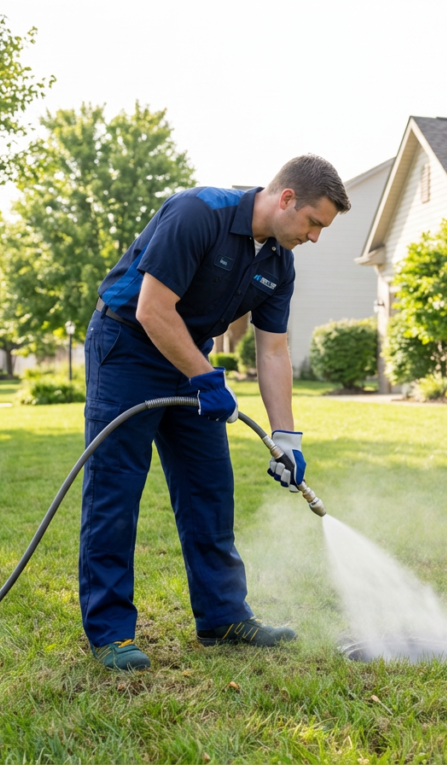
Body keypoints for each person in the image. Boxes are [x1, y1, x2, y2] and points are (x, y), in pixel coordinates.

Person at [80, 155, 351, 671]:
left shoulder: (278, 263)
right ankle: (111, 633)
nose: (315, 237)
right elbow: (152, 308)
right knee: (116, 490)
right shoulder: (197, 212)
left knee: (209, 486)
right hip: (128, 345)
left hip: (189, 355)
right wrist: (204, 376)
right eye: (314, 222)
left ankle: (223, 617)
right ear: (286, 198)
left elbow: (272, 351)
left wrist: (286, 436)